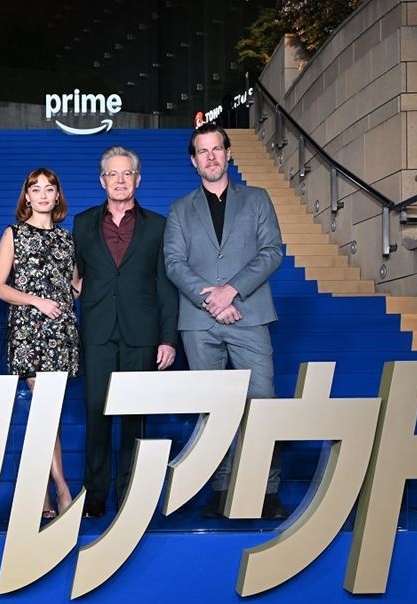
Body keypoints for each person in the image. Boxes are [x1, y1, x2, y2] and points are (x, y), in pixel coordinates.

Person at [163, 122, 288, 520]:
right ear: (193, 160)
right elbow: (174, 263)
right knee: (212, 409)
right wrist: (211, 299)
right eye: (203, 151)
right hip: (200, 323)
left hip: (249, 314)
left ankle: (267, 491)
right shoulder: (179, 210)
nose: (211, 156)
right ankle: (221, 488)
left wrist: (231, 291)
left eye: (217, 148)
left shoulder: (257, 198)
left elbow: (272, 252)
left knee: (262, 402)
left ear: (229, 153)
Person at [72, 146, 177, 520]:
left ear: (138, 179)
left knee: (136, 417)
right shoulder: (82, 223)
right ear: (102, 181)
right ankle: (95, 494)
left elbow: (166, 285)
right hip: (97, 331)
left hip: (141, 332)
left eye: (127, 173)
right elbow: (75, 276)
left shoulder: (158, 226)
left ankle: (132, 493)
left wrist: (168, 338)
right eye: (112, 174)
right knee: (96, 414)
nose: (120, 180)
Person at [0, 168, 80, 519]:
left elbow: (75, 287)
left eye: (49, 188)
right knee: (46, 411)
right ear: (26, 196)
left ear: (57, 196)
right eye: (36, 189)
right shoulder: (14, 234)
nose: (43, 195)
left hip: (62, 334)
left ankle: (40, 490)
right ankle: (62, 488)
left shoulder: (67, 239)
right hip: (30, 332)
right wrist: (36, 301)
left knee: (49, 415)